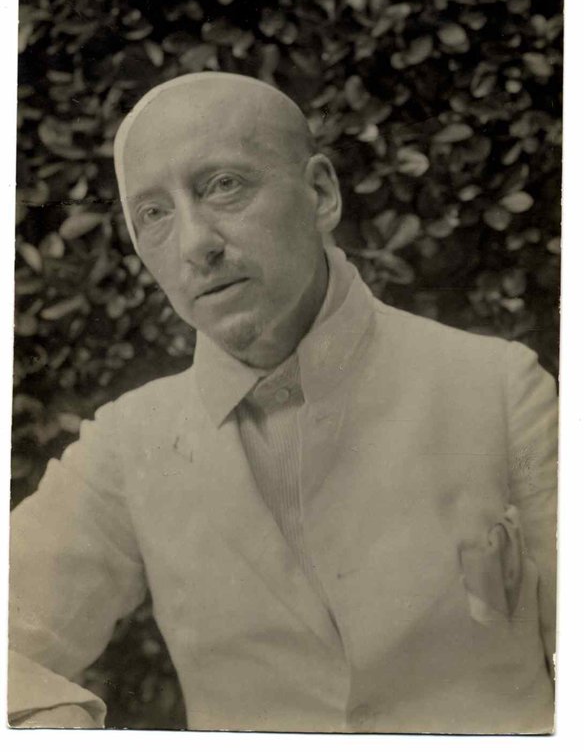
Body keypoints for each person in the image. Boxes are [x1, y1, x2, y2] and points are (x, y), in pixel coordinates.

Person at [8, 72, 558, 733]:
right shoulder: (130, 444)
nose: (195, 244)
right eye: (154, 214)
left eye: (223, 185)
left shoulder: (497, 389)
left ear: (320, 194)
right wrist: (49, 723)